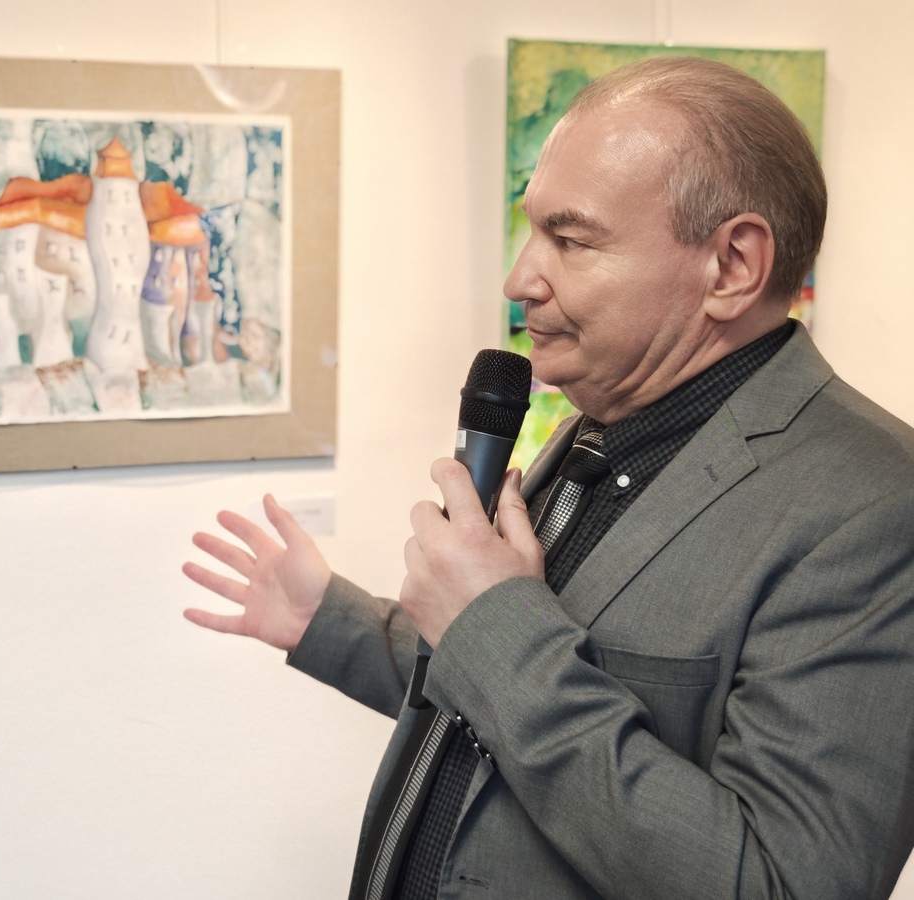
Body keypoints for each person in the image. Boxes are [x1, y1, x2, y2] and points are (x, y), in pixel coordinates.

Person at [182, 56, 914, 899]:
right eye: (531, 231)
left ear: (732, 265)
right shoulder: (605, 428)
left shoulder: (870, 510)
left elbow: (779, 883)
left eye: (570, 240)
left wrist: (495, 625)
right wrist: (330, 620)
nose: (520, 279)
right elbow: (506, 689)